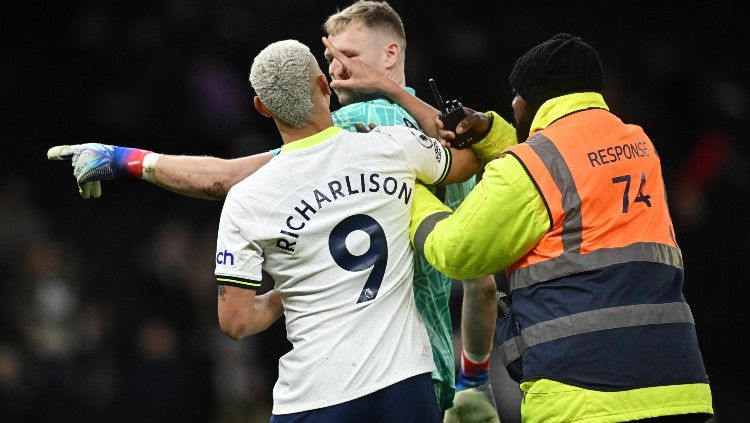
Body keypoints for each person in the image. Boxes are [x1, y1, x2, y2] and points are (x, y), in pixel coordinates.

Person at [47, 2, 501, 420]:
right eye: (330, 60)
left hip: (324, 384)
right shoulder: (427, 142)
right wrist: (474, 379)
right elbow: (480, 282)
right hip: (423, 371)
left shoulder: (355, 131)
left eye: (348, 55)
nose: (338, 69)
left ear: (389, 54)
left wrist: (124, 157)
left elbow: (224, 179)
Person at [397, 33, 713, 422]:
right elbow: (566, 161)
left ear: (530, 97)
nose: (512, 105)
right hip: (678, 390)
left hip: (585, 397)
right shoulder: (639, 145)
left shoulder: (532, 167)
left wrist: (407, 190)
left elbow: (458, 251)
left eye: (515, 95)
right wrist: (490, 132)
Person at [217, 38, 480, 421]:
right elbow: (468, 160)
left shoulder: (246, 198)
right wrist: (398, 92)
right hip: (404, 380)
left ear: (261, 107)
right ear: (324, 85)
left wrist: (286, 292)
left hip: (315, 394)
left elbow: (237, 322)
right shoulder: (391, 147)